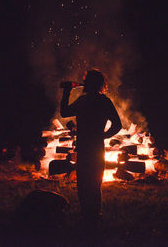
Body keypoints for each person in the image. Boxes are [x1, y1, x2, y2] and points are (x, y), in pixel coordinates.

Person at [60, 69, 122, 234]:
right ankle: (94, 217)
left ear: (89, 84)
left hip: (85, 148)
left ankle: (88, 216)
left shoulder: (83, 101)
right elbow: (117, 125)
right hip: (96, 147)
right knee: (95, 184)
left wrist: (67, 91)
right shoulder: (104, 101)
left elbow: (64, 112)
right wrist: (103, 135)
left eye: (85, 79)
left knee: (83, 184)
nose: (83, 82)